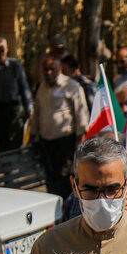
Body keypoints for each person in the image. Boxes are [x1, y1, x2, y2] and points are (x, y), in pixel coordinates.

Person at [29, 53, 89, 198]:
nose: (49, 73)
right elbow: (36, 113)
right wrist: (32, 135)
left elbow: (81, 113)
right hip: (46, 143)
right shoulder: (41, 88)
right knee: (51, 180)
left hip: (65, 142)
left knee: (65, 180)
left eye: (52, 69)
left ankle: (67, 209)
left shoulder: (71, 86)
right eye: (46, 69)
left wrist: (80, 138)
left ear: (60, 69)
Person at [0, 36, 33, 151]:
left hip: (15, 109)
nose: (0, 53)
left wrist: (29, 109)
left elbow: (24, 88)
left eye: (2, 49)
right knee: (1, 143)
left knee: (15, 140)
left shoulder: (15, 65)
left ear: (7, 49)